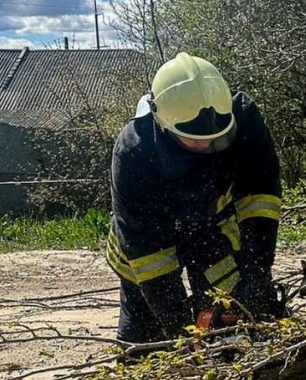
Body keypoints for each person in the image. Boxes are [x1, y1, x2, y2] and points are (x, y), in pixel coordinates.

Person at [106, 52, 284, 343]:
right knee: (147, 344)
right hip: (146, 252)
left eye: (216, 134)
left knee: (241, 316)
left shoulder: (245, 119)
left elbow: (260, 199)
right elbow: (146, 251)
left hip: (212, 235)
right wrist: (181, 331)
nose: (206, 142)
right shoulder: (133, 152)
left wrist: (257, 270)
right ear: (163, 122)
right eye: (193, 136)